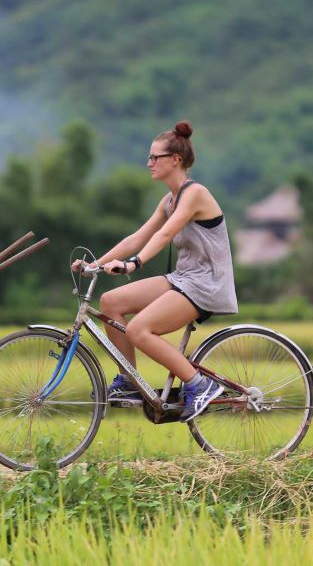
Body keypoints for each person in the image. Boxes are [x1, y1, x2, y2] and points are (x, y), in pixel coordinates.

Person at [72, 120, 238, 422]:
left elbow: (163, 236)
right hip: (183, 279)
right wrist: (94, 265)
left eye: (154, 157)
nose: (149, 163)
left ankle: (199, 385)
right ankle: (129, 383)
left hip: (206, 284)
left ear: (175, 160)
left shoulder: (195, 193)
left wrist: (134, 263)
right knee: (111, 303)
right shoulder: (169, 200)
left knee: (138, 329)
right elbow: (137, 237)